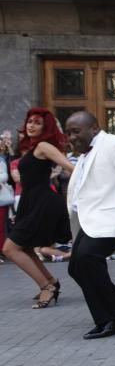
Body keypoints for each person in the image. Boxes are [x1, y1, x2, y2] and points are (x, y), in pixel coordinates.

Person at [64, 112, 115, 339]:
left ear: (94, 128)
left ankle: (109, 321)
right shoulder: (84, 154)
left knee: (87, 260)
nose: (71, 137)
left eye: (76, 131)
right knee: (76, 267)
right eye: (68, 132)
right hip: (90, 220)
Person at [2, 108, 75, 308]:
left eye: (37, 123)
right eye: (30, 122)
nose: (31, 125)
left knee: (9, 249)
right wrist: (22, 212)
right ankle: (51, 282)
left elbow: (72, 168)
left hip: (44, 202)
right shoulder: (32, 147)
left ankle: (46, 287)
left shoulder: (44, 146)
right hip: (31, 202)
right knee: (24, 247)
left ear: (46, 127)